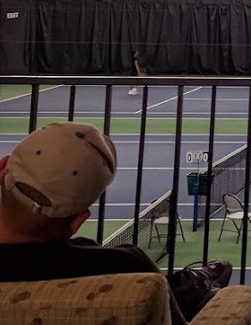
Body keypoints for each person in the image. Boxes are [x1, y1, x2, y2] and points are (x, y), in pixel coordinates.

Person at [0, 122, 232, 323]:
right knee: (181, 293)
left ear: (2, 169)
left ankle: (187, 287)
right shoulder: (124, 268)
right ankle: (191, 288)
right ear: (78, 222)